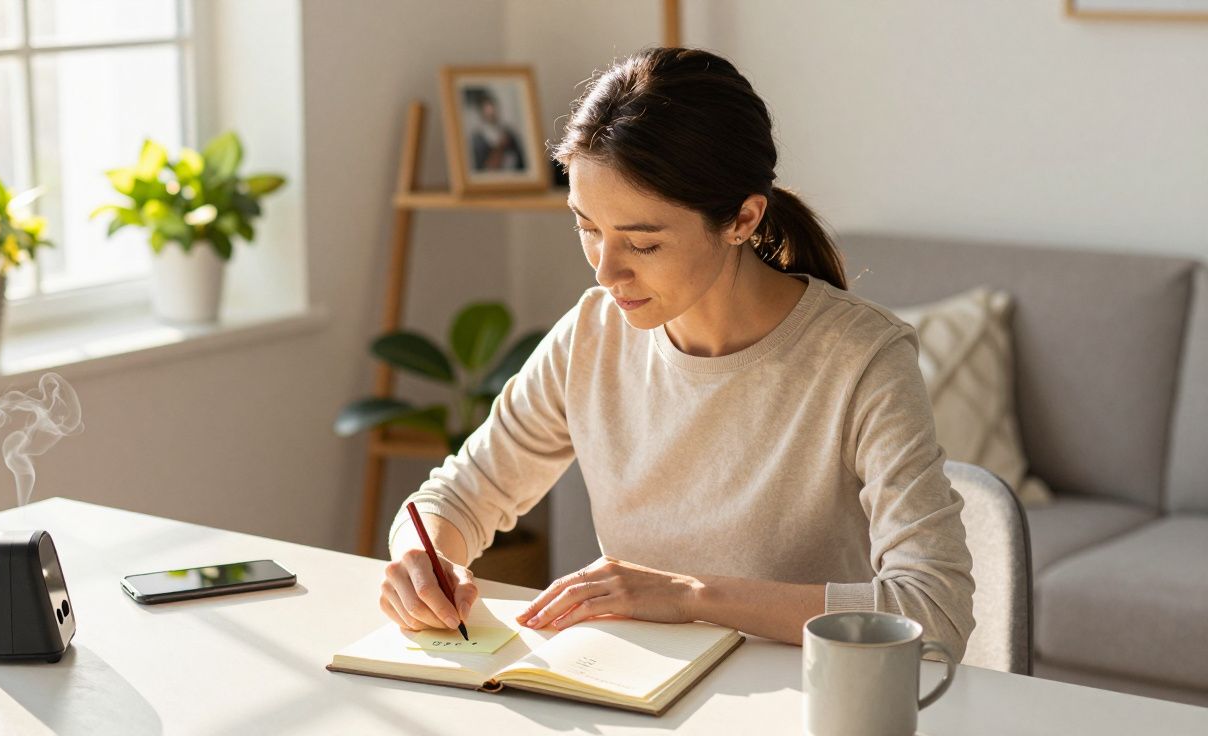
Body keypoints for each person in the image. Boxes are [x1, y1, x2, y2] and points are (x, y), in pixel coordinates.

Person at [380, 46, 975, 660]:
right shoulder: (592, 335)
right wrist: (421, 559)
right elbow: (455, 495)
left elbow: (933, 608)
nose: (607, 272)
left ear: (742, 219)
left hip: (800, 703)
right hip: (639, 697)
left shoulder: (862, 359)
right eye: (588, 228)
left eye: (642, 243)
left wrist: (690, 596)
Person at [469, 89, 526, 172]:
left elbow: (521, 162)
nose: (491, 113)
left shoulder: (509, 133)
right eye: (486, 110)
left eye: (492, 108)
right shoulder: (477, 138)